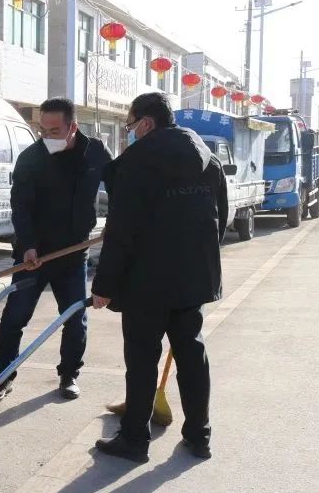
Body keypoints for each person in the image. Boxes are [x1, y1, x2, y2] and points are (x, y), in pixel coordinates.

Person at [91, 92, 227, 463]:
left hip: (146, 284)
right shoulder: (208, 161)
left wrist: (103, 287)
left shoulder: (136, 164)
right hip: (192, 280)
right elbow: (219, 220)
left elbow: (122, 231)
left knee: (142, 361)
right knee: (192, 356)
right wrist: (198, 265)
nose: (130, 131)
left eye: (131, 124)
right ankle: (200, 436)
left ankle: (135, 440)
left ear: (147, 123)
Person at [0, 98, 112, 404]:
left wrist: (118, 226)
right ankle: (3, 375)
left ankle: (69, 374)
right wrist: (28, 245)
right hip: (33, 255)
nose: (48, 137)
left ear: (73, 127)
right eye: (43, 130)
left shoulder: (95, 153)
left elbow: (121, 188)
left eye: (55, 130)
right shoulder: (31, 158)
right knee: (15, 316)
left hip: (74, 252)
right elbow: (21, 206)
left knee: (74, 316)